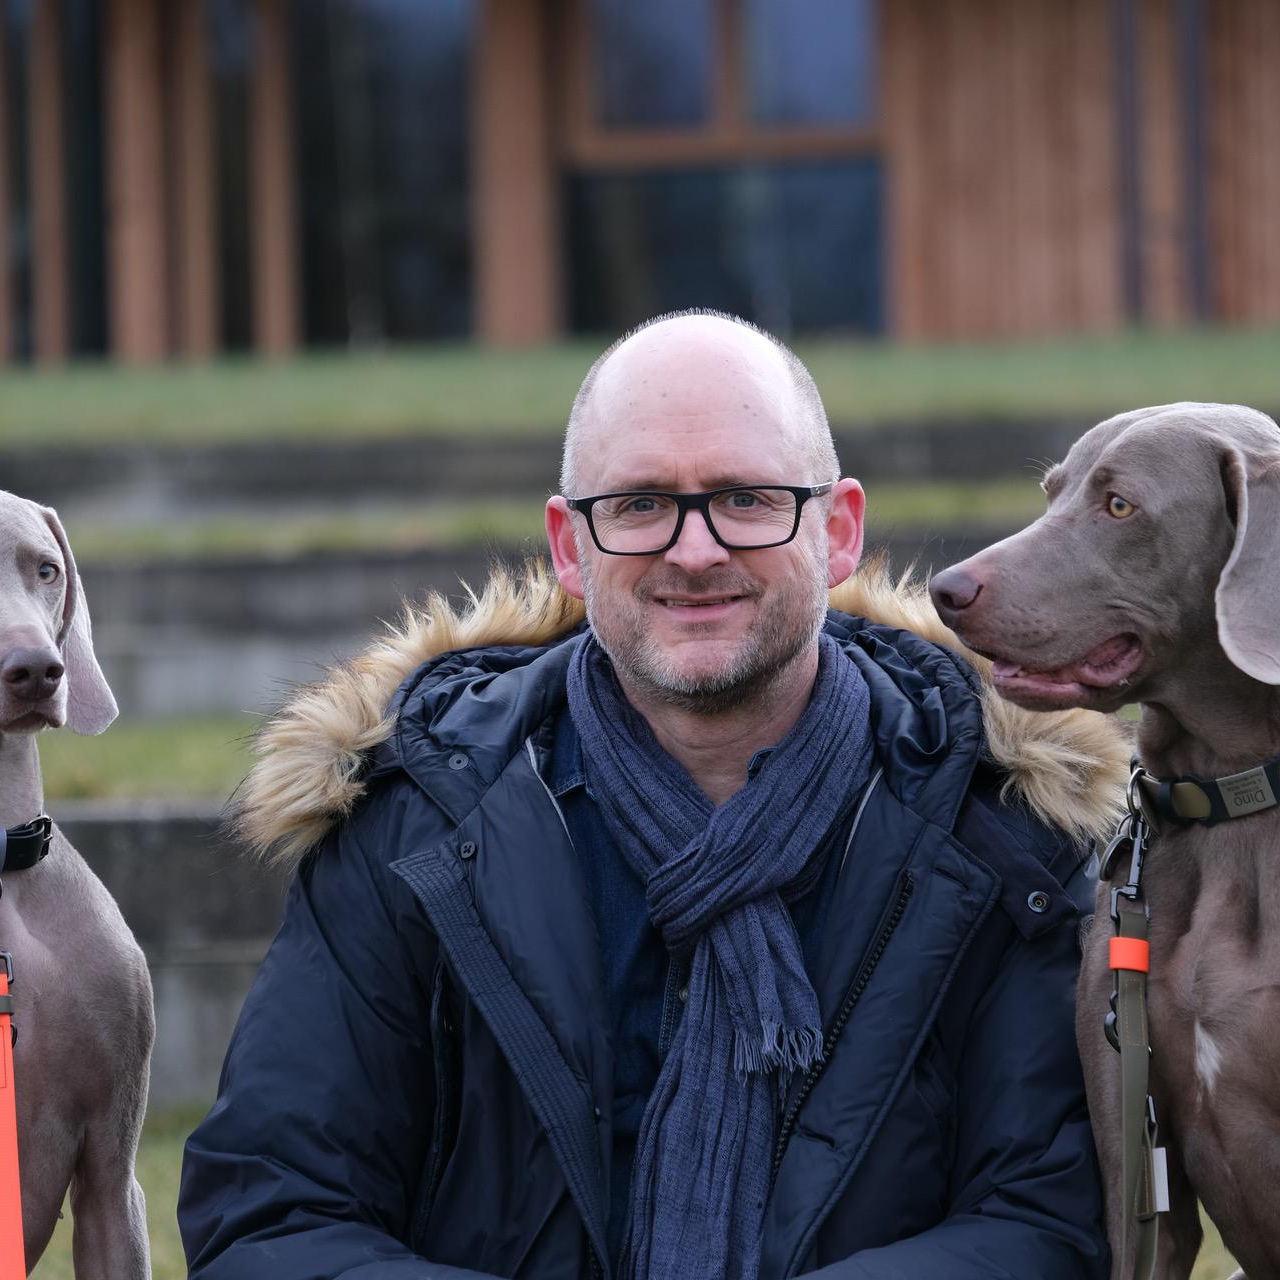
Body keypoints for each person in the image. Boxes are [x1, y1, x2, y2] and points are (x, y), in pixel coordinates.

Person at [179, 310, 1125, 1279]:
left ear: (837, 530)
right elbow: (272, 1217)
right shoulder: (413, 819)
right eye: (638, 503)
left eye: (747, 496)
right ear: (568, 542)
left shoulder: (1000, 827)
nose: (695, 548)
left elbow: (1048, 1226)